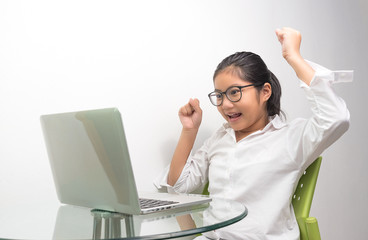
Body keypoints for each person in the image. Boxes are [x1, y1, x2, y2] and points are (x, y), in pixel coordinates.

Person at [155, 27, 352, 239]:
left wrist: (293, 57)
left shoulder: (290, 138)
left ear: (265, 91)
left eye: (234, 92)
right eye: (220, 96)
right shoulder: (220, 139)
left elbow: (336, 118)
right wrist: (189, 130)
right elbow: (179, 186)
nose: (226, 105)